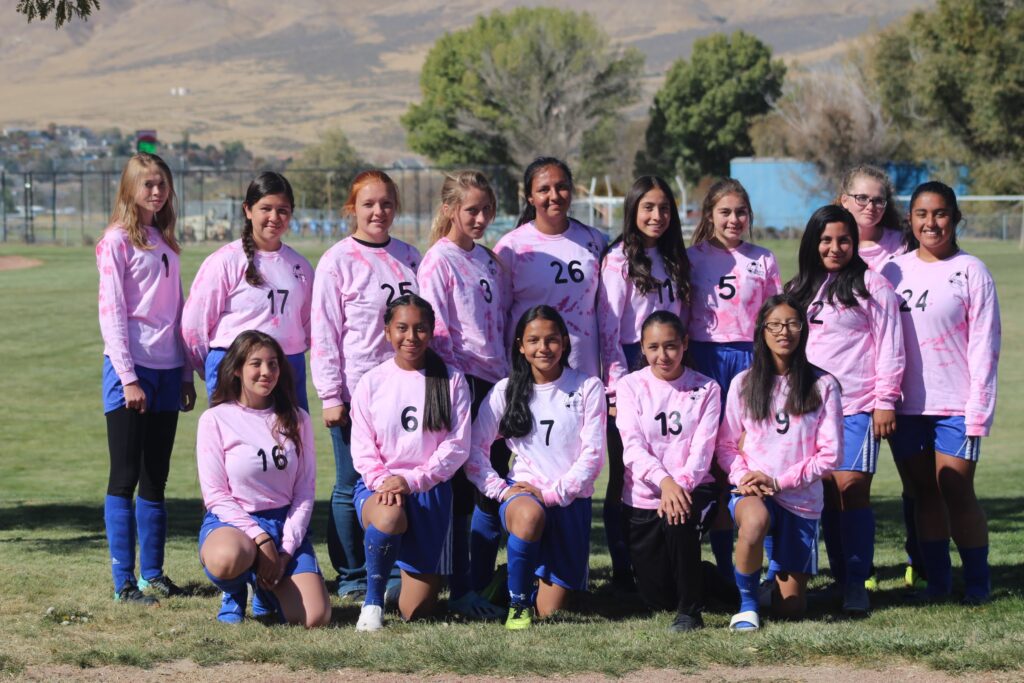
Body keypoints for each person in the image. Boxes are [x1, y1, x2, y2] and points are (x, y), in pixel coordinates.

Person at [476, 157, 606, 592]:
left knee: (580, 472)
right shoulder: (511, 247)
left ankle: (573, 572)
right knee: (515, 470)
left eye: (562, 187)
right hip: (529, 382)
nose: (554, 196)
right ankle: (502, 575)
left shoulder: (594, 242)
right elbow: (498, 315)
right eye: (544, 189)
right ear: (529, 196)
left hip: (580, 378)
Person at [881, 182, 1000, 604]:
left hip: (956, 404)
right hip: (906, 405)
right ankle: (938, 582)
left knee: (955, 490)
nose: (931, 223)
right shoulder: (893, 270)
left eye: (940, 213)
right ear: (910, 220)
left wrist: (978, 410)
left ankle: (979, 582)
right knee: (924, 493)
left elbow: (986, 345)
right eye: (921, 214)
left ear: (955, 218)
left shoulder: (972, 271)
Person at [785, 205, 904, 614]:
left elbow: (891, 346)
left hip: (856, 407)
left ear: (854, 242)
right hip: (806, 410)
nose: (835, 248)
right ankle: (831, 579)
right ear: (812, 242)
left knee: (851, 490)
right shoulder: (799, 289)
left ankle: (857, 583)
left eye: (843, 240)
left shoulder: (873, 285)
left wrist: (885, 401)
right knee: (821, 494)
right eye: (826, 240)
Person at [310, 170, 419, 602]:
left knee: (395, 480)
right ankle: (353, 574)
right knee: (349, 483)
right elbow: (325, 332)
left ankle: (390, 568)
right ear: (351, 208)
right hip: (357, 394)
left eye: (386, 204)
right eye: (369, 204)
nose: (378, 212)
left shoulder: (411, 256)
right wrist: (332, 395)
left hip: (404, 392)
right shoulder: (337, 260)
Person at [96, 152, 196, 605]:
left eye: (162, 183)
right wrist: (128, 376)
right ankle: (123, 583)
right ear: (130, 189)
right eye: (148, 184)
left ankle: (153, 575)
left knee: (157, 477)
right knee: (126, 476)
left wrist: (186, 373)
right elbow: (113, 312)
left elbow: (177, 315)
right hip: (130, 373)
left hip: (167, 371)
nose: (156, 191)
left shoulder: (166, 242)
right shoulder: (116, 242)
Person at [466, 306, 606, 630]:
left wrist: (554, 493)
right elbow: (474, 449)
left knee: (551, 612)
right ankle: (517, 604)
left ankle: (511, 577)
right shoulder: (506, 389)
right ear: (520, 346)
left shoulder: (587, 387)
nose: (543, 348)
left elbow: (594, 455)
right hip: (524, 499)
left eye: (551, 339)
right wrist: (499, 489)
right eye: (534, 340)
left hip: (568, 502)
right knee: (529, 516)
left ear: (565, 343)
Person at [716, 295, 843, 631]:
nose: (783, 331)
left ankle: (772, 582)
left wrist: (778, 481)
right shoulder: (743, 383)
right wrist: (745, 478)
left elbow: (831, 455)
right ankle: (746, 605)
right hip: (753, 491)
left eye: (792, 323)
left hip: (799, 499)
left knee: (791, 609)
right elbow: (726, 445)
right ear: (762, 331)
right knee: (754, 520)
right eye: (775, 324)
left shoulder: (824, 385)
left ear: (803, 329)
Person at [349, 295, 472, 631]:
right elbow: (362, 447)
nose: (411, 337)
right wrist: (384, 482)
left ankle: (394, 590)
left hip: (429, 490)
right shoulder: (372, 382)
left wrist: (414, 481)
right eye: (402, 328)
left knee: (418, 610)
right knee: (389, 515)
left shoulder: (451, 380)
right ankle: (372, 602)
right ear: (387, 331)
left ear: (431, 333)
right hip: (381, 489)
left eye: (420, 329)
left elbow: (458, 446)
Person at [416, 170, 508, 619]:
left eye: (487, 209)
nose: (481, 217)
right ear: (451, 209)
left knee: (492, 486)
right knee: (458, 492)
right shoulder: (439, 260)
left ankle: (480, 580)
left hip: (496, 383)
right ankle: (459, 587)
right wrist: (458, 388)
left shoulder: (489, 261)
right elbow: (437, 332)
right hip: (460, 384)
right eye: (472, 209)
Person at [196, 331, 330, 627]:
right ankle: (234, 591)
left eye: (273, 364)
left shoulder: (298, 419)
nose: (266, 372)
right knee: (228, 557)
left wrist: (284, 550)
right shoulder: (216, 419)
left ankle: (265, 589)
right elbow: (216, 495)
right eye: (256, 363)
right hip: (235, 524)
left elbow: (305, 492)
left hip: (284, 526)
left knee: (316, 617)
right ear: (237, 369)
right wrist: (260, 538)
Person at [597, 176, 691, 590]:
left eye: (664, 208)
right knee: (626, 471)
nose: (657, 216)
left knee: (672, 462)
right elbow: (607, 329)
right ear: (633, 210)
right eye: (648, 207)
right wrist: (617, 389)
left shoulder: (674, 258)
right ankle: (623, 565)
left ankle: (664, 558)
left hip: (670, 363)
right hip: (633, 366)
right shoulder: (618, 259)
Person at [687, 178, 781, 580]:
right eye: (725, 212)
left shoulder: (763, 259)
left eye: (740, 212)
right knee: (708, 463)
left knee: (750, 458)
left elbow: (776, 318)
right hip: (704, 358)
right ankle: (715, 563)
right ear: (710, 215)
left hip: (748, 361)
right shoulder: (691, 258)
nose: (733, 219)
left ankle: (761, 563)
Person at [616, 311, 720, 632]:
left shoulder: (707, 388)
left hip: (692, 489)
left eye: (671, 346)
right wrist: (664, 482)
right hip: (644, 495)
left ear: (685, 344)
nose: (663, 356)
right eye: (654, 347)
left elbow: (703, 451)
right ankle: (711, 580)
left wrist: (680, 486)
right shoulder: (630, 386)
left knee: (679, 516)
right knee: (657, 597)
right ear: (643, 349)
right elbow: (632, 447)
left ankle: (691, 612)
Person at [182, 171, 313, 409]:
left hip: (289, 366)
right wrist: (217, 365)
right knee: (240, 444)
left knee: (292, 444)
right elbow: (194, 326)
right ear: (248, 210)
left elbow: (307, 323)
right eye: (266, 208)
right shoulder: (224, 261)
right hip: (234, 367)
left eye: (282, 210)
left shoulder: (301, 266)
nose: (274, 217)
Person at [837, 165, 906, 273]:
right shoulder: (833, 246)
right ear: (845, 201)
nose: (870, 207)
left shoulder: (902, 243)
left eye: (878, 200)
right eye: (862, 198)